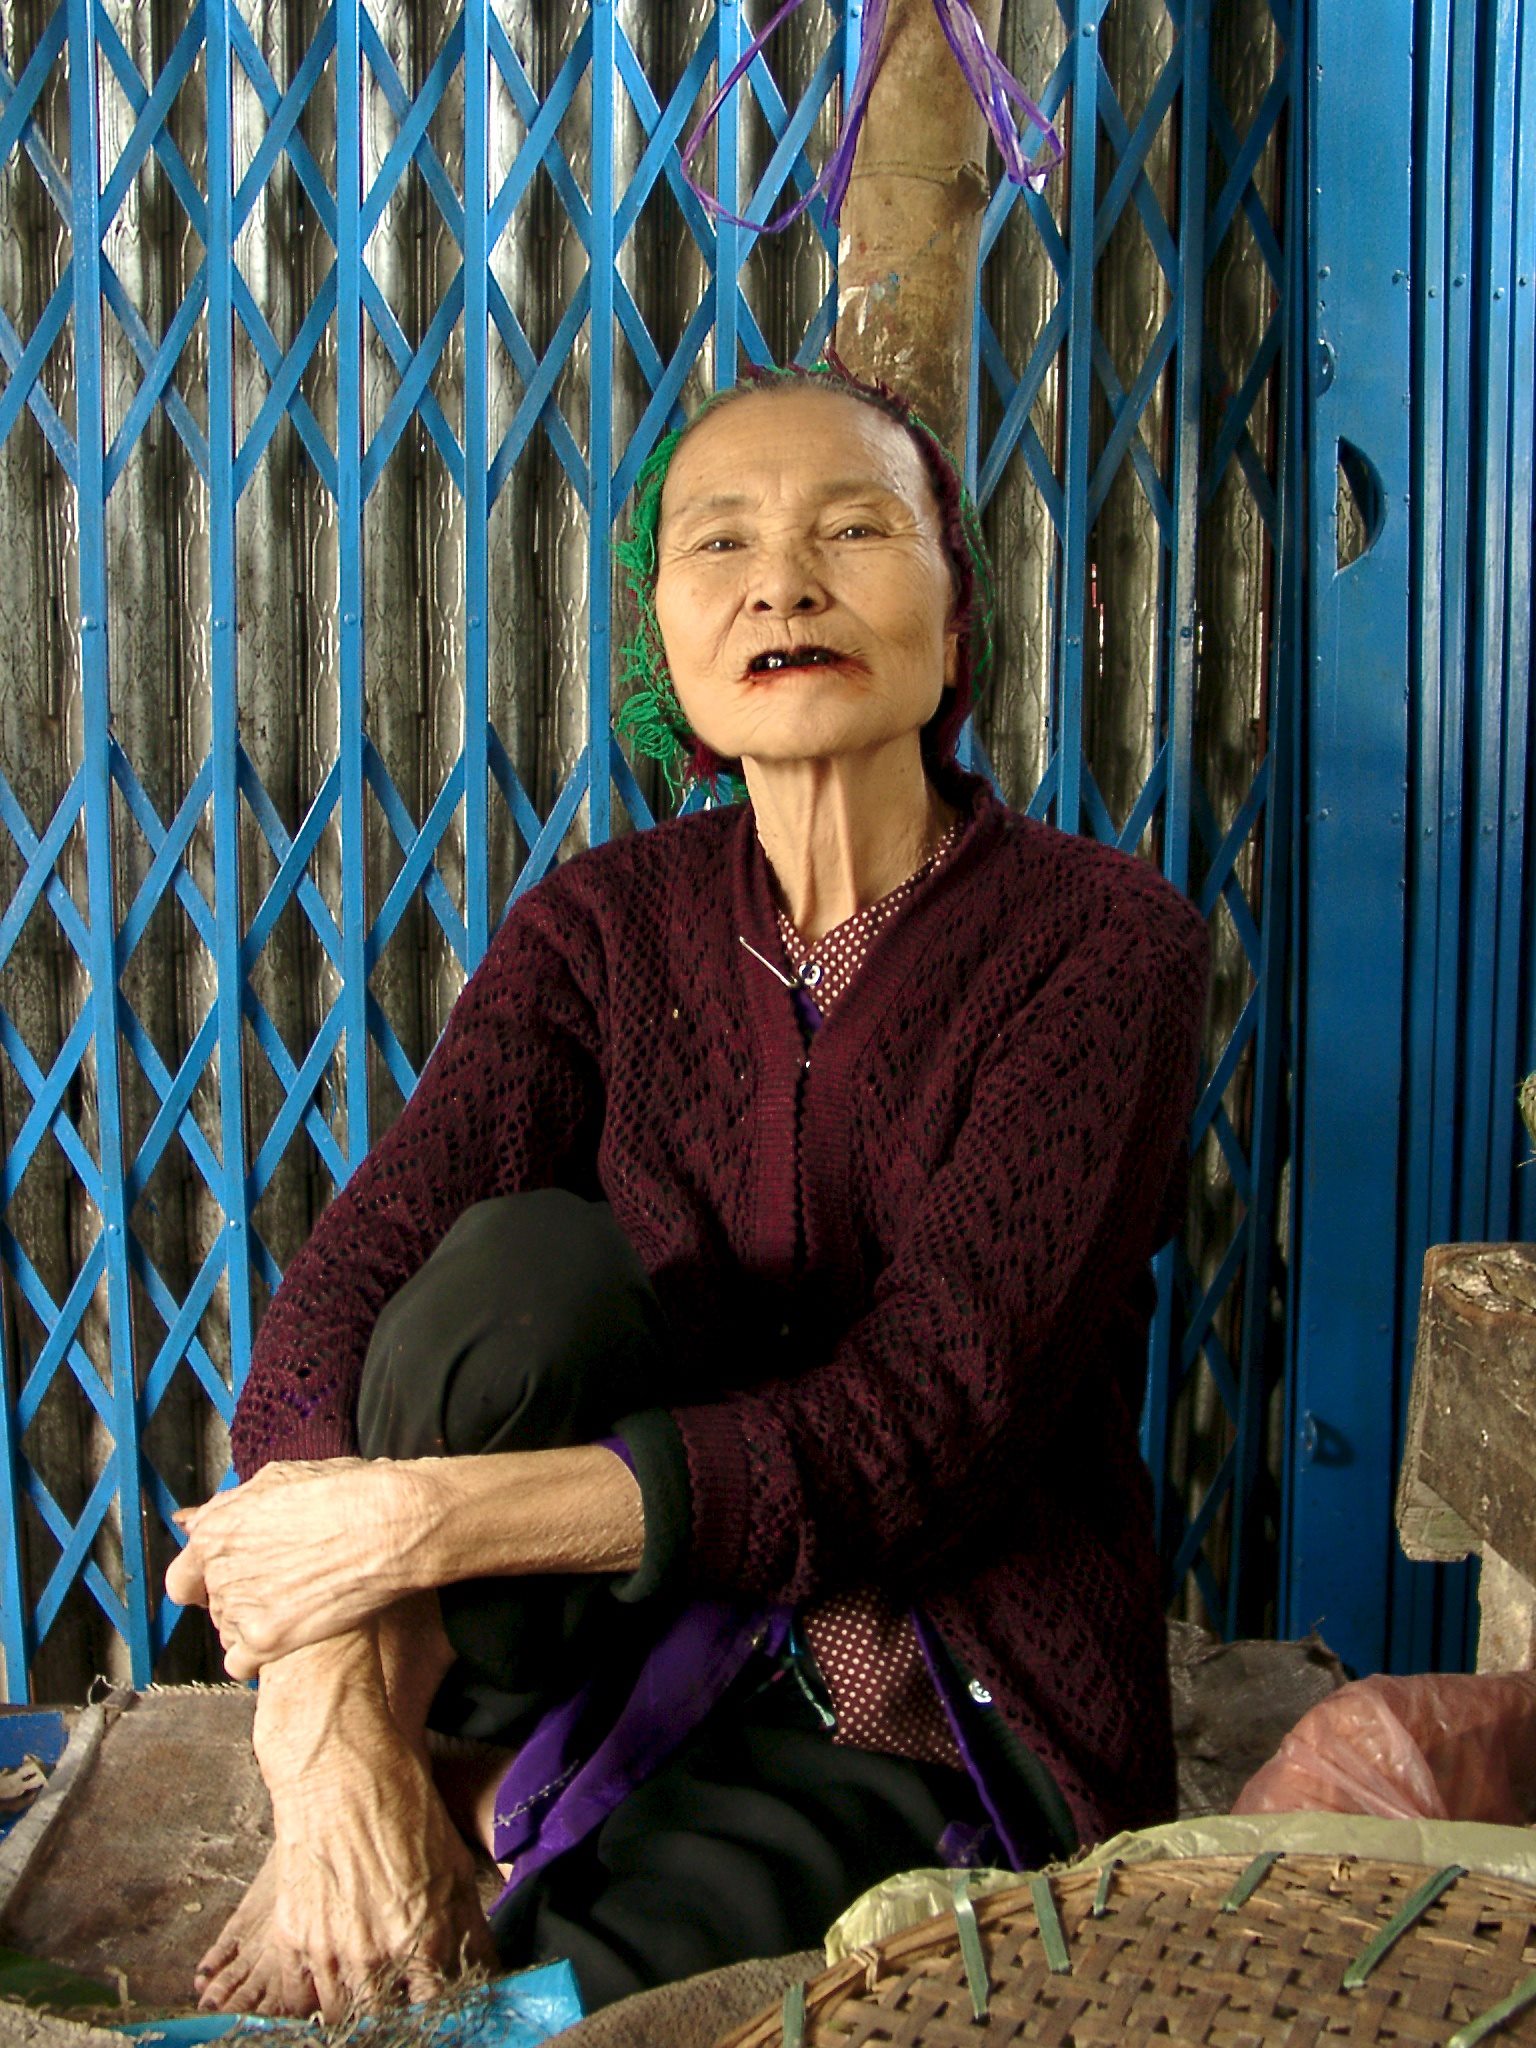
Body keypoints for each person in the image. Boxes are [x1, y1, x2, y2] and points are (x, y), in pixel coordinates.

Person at [166, 363, 1209, 2022]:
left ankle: (526, 1823)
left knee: (568, 2007)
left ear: (960, 627)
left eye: (853, 529)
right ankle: (421, 1744)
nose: (782, 582)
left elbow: (922, 1428)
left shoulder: (1104, 949)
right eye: (718, 544)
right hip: (603, 1624)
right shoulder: (602, 924)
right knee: (514, 1267)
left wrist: (408, 1524)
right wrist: (327, 1718)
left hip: (917, 1670)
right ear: (664, 648)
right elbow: (365, 1263)